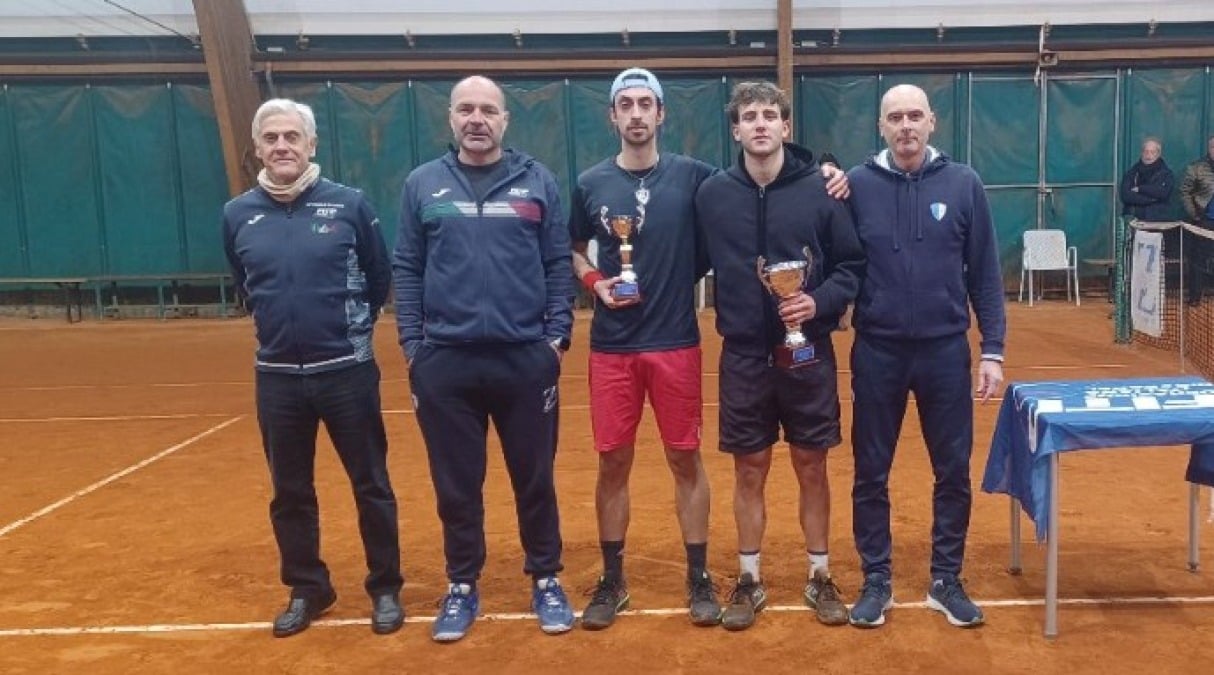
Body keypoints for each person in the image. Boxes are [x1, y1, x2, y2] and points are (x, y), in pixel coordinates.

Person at [393, 75, 575, 642]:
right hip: (445, 363)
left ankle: (545, 578)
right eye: (466, 109)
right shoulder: (423, 184)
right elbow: (406, 267)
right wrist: (413, 346)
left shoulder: (536, 181)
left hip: (525, 360)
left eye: (488, 110)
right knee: (456, 486)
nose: (477, 119)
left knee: (535, 479)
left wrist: (556, 339)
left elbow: (557, 266)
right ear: (450, 118)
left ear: (504, 121)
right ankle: (461, 586)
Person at [221, 98, 403, 638]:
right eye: (272, 138)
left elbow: (378, 276)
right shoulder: (237, 214)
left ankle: (386, 587)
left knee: (370, 482)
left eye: (292, 137)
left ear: (312, 145)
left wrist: (345, 332)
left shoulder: (350, 206)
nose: (282, 147)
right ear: (258, 147)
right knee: (290, 490)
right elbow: (245, 283)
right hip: (276, 378)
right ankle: (308, 588)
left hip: (347, 371)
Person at [694, 81, 863, 631]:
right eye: (750, 116)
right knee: (750, 468)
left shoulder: (823, 188)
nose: (761, 124)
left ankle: (819, 574)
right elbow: (688, 259)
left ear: (786, 127)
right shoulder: (713, 194)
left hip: (807, 351)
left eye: (771, 115)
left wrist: (818, 301)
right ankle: (749, 578)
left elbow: (851, 266)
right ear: (736, 129)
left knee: (812, 465)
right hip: (743, 356)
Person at [846, 84, 1006, 629]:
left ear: (932, 122)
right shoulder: (856, 185)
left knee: (952, 471)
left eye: (915, 115)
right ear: (881, 127)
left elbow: (985, 273)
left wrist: (994, 352)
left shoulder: (964, 184)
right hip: (877, 352)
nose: (906, 126)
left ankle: (946, 578)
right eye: (896, 117)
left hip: (944, 352)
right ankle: (876, 580)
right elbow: (837, 264)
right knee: (870, 471)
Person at [567, 67, 721, 630]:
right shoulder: (589, 183)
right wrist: (594, 283)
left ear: (661, 114)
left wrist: (821, 170)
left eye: (645, 104)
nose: (635, 113)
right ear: (612, 116)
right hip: (612, 346)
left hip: (676, 341)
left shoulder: (696, 177)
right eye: (625, 104)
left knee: (685, 457)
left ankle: (699, 574)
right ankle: (612, 579)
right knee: (613, 461)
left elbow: (741, 206)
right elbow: (574, 250)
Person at [1179, 134, 1214, 306]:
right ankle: (1194, 297)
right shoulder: (1196, 168)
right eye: (1213, 147)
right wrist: (1195, 215)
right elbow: (1185, 192)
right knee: (1197, 260)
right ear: (1208, 149)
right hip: (1204, 222)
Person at [1120, 137, 1174, 222]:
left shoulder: (1166, 174)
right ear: (1142, 153)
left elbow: (1162, 193)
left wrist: (1140, 189)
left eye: (1152, 152)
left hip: (1157, 221)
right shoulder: (1132, 173)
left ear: (1158, 154)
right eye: (1146, 151)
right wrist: (1152, 199)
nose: (1148, 155)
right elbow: (1126, 196)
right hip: (1133, 220)